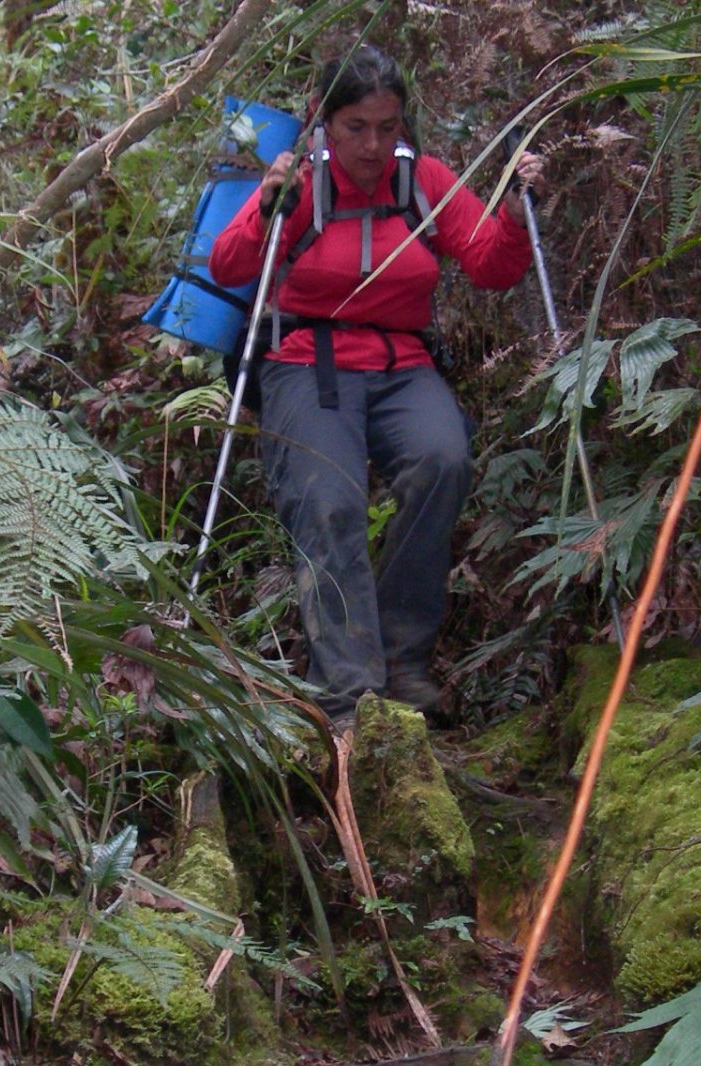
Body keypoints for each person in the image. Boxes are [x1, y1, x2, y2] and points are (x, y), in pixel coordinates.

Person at [208, 44, 545, 723]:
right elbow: (228, 265)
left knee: (442, 458)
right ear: (323, 123)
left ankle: (402, 659)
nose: (372, 144)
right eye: (356, 127)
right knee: (330, 502)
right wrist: (267, 202)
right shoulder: (302, 183)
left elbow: (488, 264)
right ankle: (349, 691)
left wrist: (512, 210)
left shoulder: (421, 179)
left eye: (387, 127)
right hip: (306, 360)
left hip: (401, 364)